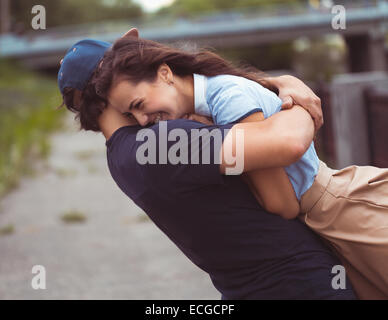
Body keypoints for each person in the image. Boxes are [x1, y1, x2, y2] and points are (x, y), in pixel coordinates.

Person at [72, 31, 388, 299]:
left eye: (139, 105)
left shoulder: (219, 103)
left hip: (338, 209)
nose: (143, 121)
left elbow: (282, 198)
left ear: (165, 73)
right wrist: (291, 96)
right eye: (131, 112)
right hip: (315, 232)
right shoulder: (181, 129)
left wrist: (291, 96)